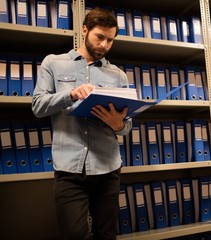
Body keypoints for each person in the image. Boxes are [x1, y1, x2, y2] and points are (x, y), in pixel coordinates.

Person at [32, 8, 132, 240]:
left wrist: (118, 124)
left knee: (106, 235)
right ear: (85, 30)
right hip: (69, 169)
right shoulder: (54, 63)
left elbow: (127, 127)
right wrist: (71, 94)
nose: (105, 45)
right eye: (100, 37)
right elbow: (38, 106)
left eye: (110, 40)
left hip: (108, 168)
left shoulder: (118, 75)